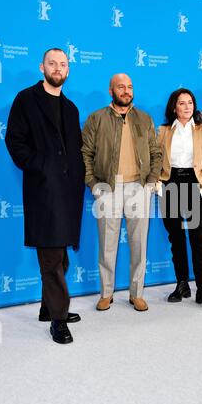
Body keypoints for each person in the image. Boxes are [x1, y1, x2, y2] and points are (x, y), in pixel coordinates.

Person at [5, 48, 85, 344]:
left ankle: (47, 307)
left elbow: (75, 147)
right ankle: (59, 319)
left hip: (69, 192)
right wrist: (40, 167)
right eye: (52, 63)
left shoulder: (72, 108)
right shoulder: (26, 100)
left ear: (68, 70)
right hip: (43, 190)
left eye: (63, 64)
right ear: (42, 67)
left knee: (61, 256)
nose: (57, 68)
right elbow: (15, 140)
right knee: (51, 258)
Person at [81, 73, 162, 312]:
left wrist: (150, 182)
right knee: (107, 244)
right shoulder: (96, 118)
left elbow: (156, 154)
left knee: (139, 244)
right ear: (111, 91)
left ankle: (137, 293)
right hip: (108, 188)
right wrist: (94, 184)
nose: (126, 91)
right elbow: (85, 154)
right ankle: (106, 293)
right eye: (121, 87)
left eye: (129, 87)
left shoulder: (144, 119)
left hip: (139, 188)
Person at [158, 88, 202, 309]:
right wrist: (158, 184)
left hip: (194, 184)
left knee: (198, 238)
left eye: (190, 103)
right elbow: (156, 158)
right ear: (174, 107)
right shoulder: (163, 131)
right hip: (170, 183)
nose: (187, 107)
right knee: (176, 237)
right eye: (182, 103)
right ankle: (182, 283)